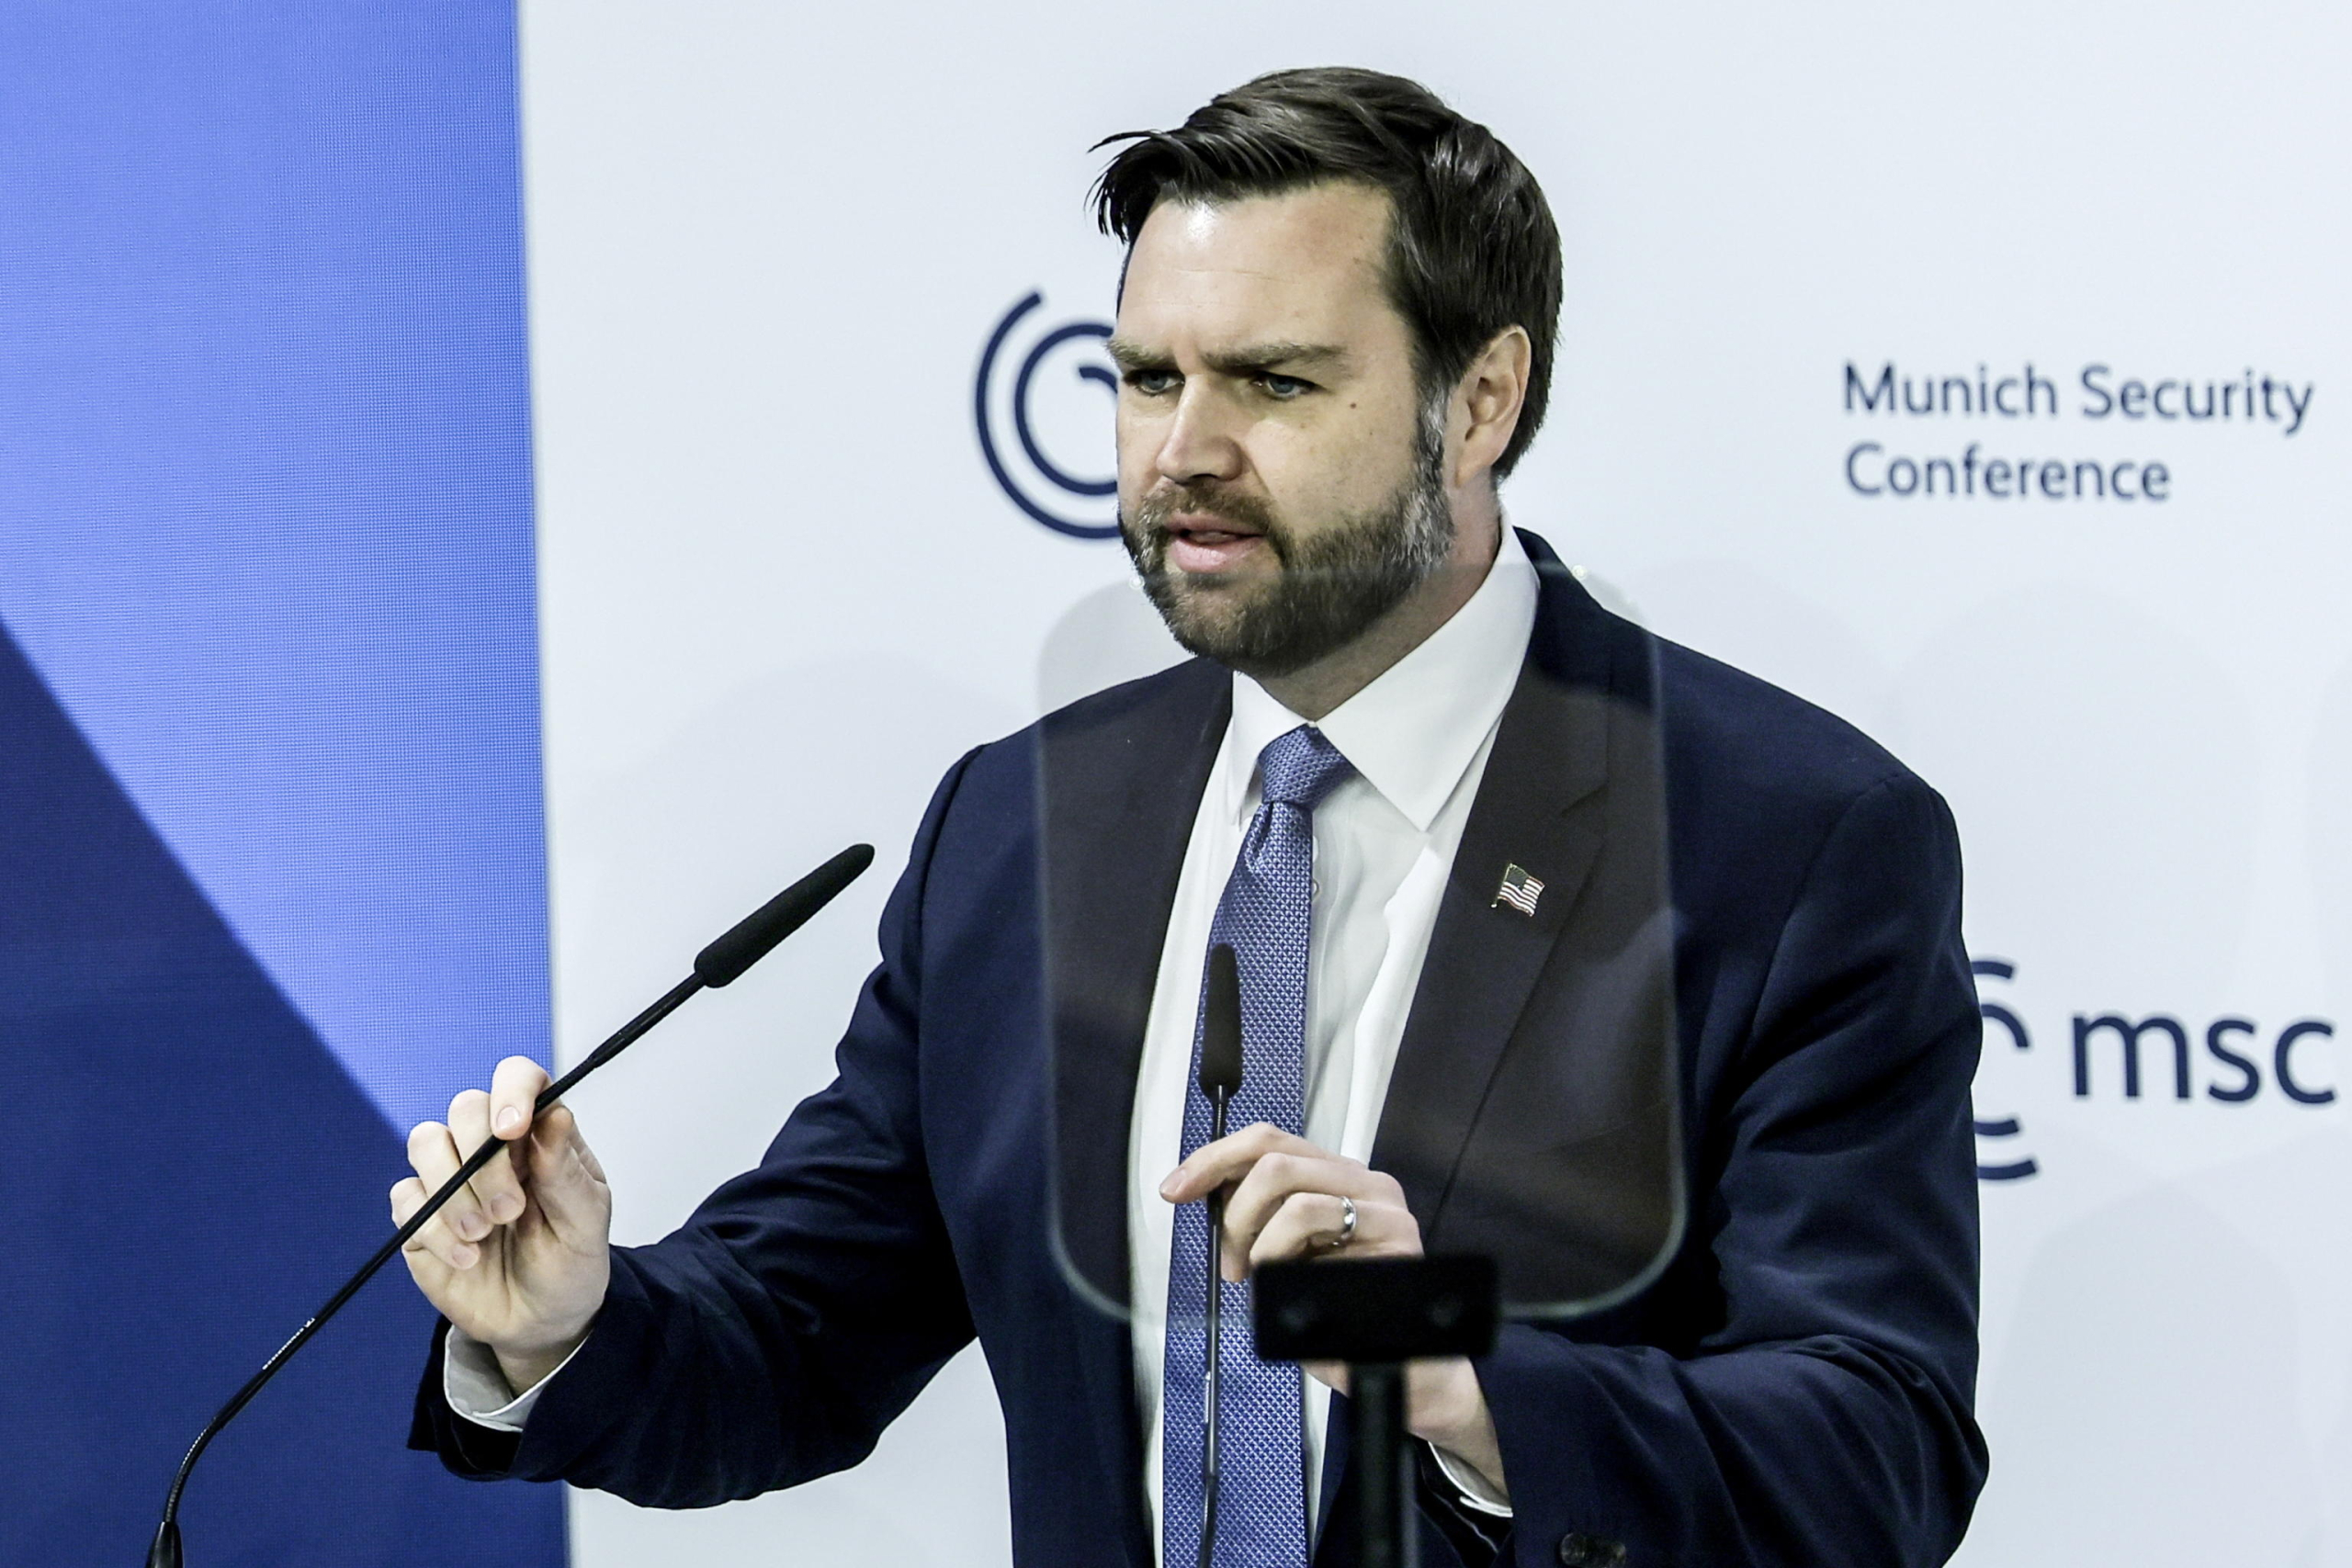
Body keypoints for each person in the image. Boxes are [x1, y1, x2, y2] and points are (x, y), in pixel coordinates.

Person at [398, 68, 1988, 1568]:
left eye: (1275, 383)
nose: (1184, 454)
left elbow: (1877, 1452)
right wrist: (563, 1320)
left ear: (1482, 398)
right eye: (1148, 378)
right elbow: (801, 1336)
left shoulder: (1784, 843)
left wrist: (1462, 1380)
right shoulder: (1019, 831)